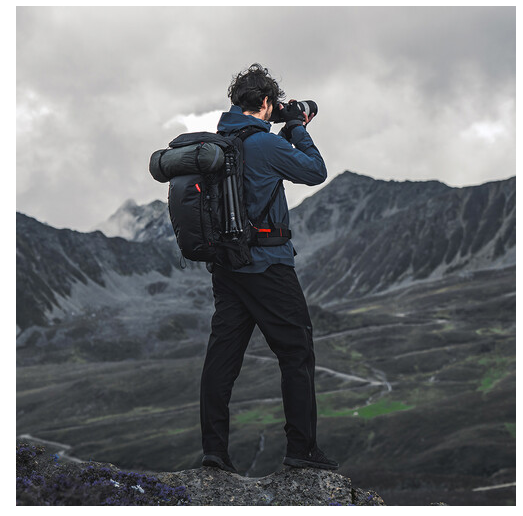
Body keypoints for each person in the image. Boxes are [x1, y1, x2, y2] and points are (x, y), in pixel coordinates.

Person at [200, 63, 338, 473]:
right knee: (296, 352)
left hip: (227, 267)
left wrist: (282, 125)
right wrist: (296, 127)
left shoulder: (218, 142)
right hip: (267, 266)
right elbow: (315, 171)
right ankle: (302, 449)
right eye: (273, 104)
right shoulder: (265, 144)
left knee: (222, 358)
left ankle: (214, 452)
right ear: (265, 102)